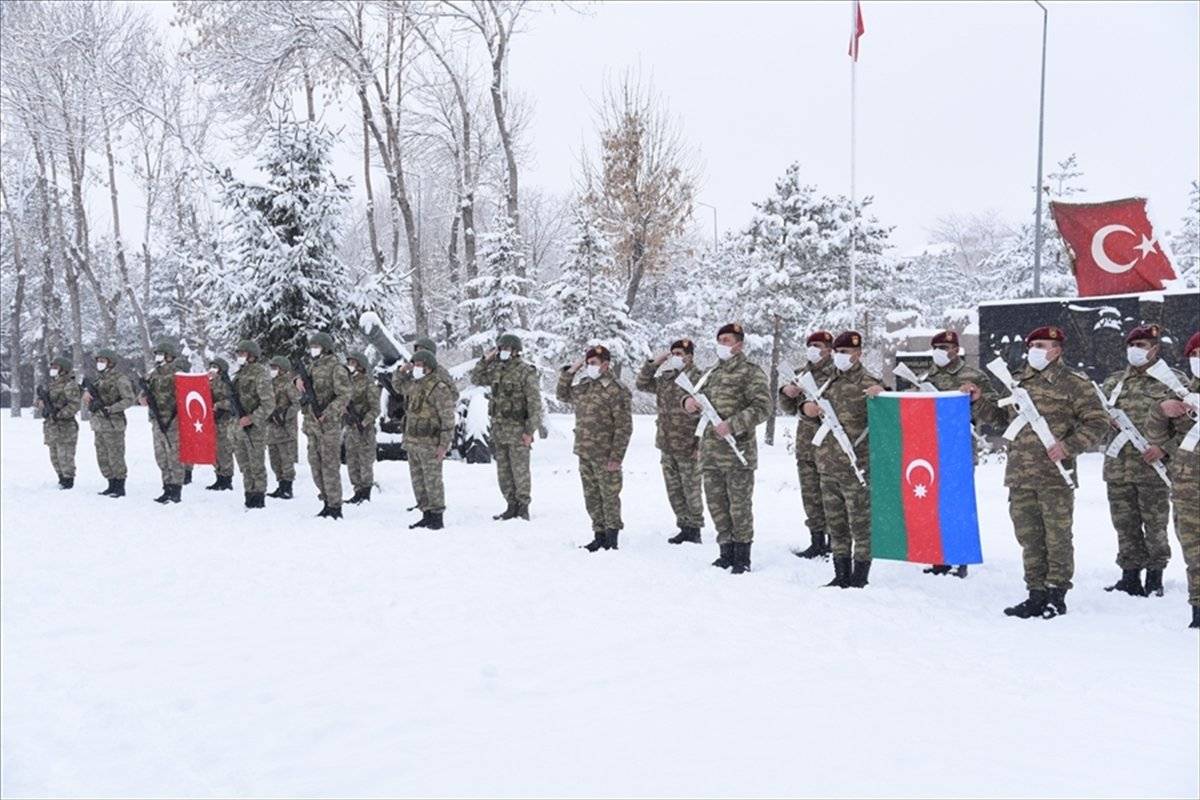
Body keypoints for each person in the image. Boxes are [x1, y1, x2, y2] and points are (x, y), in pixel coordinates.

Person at [973, 326, 1108, 619]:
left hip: (1054, 476)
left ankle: (1056, 595)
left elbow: (1098, 423)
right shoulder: (1019, 382)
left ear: (1057, 350)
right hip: (1020, 475)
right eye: (1032, 344)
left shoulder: (1075, 384)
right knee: (1029, 537)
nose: (1034, 349)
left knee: (1057, 537)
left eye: (1042, 344)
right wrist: (978, 401)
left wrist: (1068, 446)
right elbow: (999, 418)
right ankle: (1035, 593)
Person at [681, 323, 771, 574]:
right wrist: (687, 403)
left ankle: (742, 556)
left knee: (739, 507)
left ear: (739, 344)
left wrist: (733, 425)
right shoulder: (711, 373)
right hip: (710, 452)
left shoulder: (750, 373)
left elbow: (763, 407)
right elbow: (695, 398)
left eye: (727, 339)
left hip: (736, 453)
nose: (721, 343)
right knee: (717, 505)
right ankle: (725, 551)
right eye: (719, 339)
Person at [909, 329, 998, 578]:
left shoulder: (974, 376)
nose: (940, 352)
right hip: (928, 448)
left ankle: (959, 558)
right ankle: (938, 557)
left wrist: (973, 400)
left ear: (956, 350)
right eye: (936, 347)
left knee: (957, 504)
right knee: (932, 503)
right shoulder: (926, 377)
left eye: (945, 347)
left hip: (958, 447)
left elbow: (993, 412)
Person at [1098, 324, 1176, 598]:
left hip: (1152, 469)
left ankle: (1155, 577)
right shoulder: (1114, 383)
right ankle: (1129, 576)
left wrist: (1164, 448)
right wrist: (1104, 420)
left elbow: (1190, 426)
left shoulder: (1173, 381)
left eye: (1142, 346)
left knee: (1155, 525)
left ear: (1155, 349)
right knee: (1124, 524)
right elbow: (1095, 420)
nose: (1136, 350)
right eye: (1133, 345)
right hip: (1119, 467)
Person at [803, 331, 884, 588]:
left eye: (845, 352)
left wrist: (881, 394)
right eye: (837, 352)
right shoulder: (827, 382)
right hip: (827, 465)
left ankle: (860, 576)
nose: (839, 356)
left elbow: (886, 417)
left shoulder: (869, 382)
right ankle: (840, 573)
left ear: (858, 354)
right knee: (836, 524)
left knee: (860, 524)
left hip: (856, 467)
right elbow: (809, 413)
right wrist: (807, 409)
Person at [556, 344, 633, 552]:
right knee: (591, 496)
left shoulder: (617, 390)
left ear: (605, 365)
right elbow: (562, 394)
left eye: (593, 363)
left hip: (606, 453)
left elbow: (624, 427)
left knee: (609, 497)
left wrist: (616, 457)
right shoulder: (584, 386)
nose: (589, 367)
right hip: (585, 451)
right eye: (588, 363)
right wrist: (571, 370)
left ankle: (611, 538)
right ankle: (598, 535)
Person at [1148, 331, 1200, 628]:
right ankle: (1198, 609)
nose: (1197, 360)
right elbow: (1156, 438)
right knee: (1194, 552)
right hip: (1188, 489)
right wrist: (1161, 412)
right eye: (1193, 356)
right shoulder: (1180, 392)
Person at [635, 338, 705, 544]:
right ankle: (683, 525)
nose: (676, 357)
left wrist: (699, 445)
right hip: (667, 443)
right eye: (673, 353)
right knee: (674, 489)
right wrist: (655, 363)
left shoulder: (699, 378)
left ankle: (695, 528)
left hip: (688, 443)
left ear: (690, 357)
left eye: (680, 354)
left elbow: (707, 414)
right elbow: (641, 384)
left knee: (691, 489)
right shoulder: (665, 378)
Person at [469, 333, 542, 521]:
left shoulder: (526, 371)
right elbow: (476, 378)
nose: (503, 352)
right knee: (503, 470)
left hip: (518, 430)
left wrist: (529, 431)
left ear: (516, 351)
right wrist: (485, 360)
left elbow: (534, 404)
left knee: (520, 470)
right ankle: (511, 504)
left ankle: (523, 506)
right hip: (499, 429)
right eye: (501, 348)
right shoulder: (496, 369)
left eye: (507, 349)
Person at [779, 331, 836, 559]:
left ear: (829, 349)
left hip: (830, 447)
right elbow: (789, 408)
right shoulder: (801, 373)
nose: (813, 349)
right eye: (810, 344)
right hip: (806, 445)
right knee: (811, 496)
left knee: (831, 496)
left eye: (818, 345)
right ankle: (817, 541)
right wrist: (786, 392)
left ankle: (836, 542)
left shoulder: (836, 374)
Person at [403, 350, 459, 530]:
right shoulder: (414, 385)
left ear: (427, 366)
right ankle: (425, 513)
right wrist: (402, 370)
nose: (416, 368)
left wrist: (444, 445)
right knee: (418, 481)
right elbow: (398, 386)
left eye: (418, 365)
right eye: (415, 365)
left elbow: (448, 419)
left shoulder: (439, 388)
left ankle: (436, 517)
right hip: (413, 441)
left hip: (430, 443)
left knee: (432, 481)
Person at [298, 332, 352, 519]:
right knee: (315, 465)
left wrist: (328, 412)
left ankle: (335, 506)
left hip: (328, 425)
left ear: (325, 347)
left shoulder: (336, 368)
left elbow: (344, 395)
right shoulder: (313, 366)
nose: (313, 349)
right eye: (312, 346)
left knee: (329, 465)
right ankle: (326, 501)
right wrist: (297, 382)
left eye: (317, 346)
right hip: (312, 424)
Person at [82, 348, 135, 497]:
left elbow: (129, 399)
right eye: (98, 361)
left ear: (110, 363)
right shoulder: (99, 380)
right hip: (99, 424)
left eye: (103, 361)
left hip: (114, 424)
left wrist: (111, 408)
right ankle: (110, 483)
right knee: (102, 455)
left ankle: (119, 486)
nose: (99, 363)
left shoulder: (120, 378)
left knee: (115, 455)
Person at [232, 340, 276, 509]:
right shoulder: (239, 374)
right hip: (239, 426)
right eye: (239, 354)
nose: (239, 357)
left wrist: (251, 418)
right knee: (244, 464)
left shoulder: (260, 374)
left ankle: (258, 496)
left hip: (255, 427)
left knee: (256, 463)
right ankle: (249, 494)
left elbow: (268, 404)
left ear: (251, 355)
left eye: (243, 354)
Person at [142, 339, 185, 504]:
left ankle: (176, 490)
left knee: (174, 456)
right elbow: (145, 393)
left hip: (173, 421)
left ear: (169, 356)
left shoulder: (177, 373)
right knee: (161, 456)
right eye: (157, 354)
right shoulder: (154, 373)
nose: (158, 357)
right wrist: (143, 397)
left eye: (161, 354)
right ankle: (166, 487)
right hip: (156, 421)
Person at [37, 355, 82, 489]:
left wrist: (60, 414)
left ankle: (68, 481)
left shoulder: (70, 385)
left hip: (66, 427)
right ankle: (61, 478)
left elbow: (74, 405)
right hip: (52, 426)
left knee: (65, 456)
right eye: (52, 367)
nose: (52, 369)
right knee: (54, 456)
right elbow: (45, 401)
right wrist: (41, 404)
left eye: (56, 367)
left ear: (64, 370)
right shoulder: (53, 384)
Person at [344, 351, 381, 504]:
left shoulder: (368, 384)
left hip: (364, 430)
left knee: (365, 462)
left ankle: (365, 493)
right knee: (352, 462)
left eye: (353, 362)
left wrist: (364, 422)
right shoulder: (346, 383)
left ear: (360, 365)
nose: (350, 365)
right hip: (351, 429)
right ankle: (357, 491)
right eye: (349, 362)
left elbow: (375, 409)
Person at [266, 356, 301, 499]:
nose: (273, 370)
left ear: (283, 369)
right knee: (275, 461)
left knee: (286, 460)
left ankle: (287, 488)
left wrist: (284, 414)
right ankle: (280, 486)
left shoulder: (288, 385)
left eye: (275, 368)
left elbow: (297, 403)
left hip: (285, 430)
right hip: (272, 430)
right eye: (272, 368)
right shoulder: (270, 384)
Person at [205, 357, 237, 491]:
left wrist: (218, 405)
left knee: (224, 451)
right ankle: (218, 477)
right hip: (212, 421)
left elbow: (233, 402)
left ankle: (226, 479)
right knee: (215, 451)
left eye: (215, 367)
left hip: (224, 421)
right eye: (211, 366)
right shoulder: (209, 382)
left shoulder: (226, 384)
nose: (212, 369)